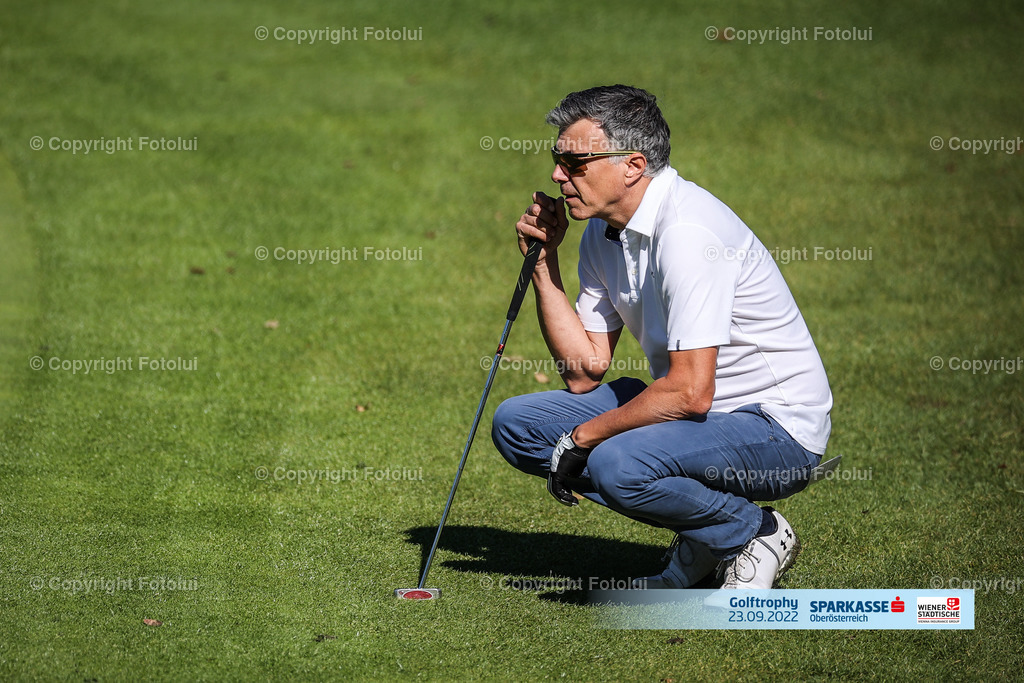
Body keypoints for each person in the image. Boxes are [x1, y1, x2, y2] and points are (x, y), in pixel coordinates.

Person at [491, 85, 833, 589]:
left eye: (575, 162)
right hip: (696, 419)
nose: (558, 175)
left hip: (776, 431)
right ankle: (706, 533)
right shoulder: (602, 233)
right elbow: (584, 373)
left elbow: (691, 393)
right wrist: (544, 265)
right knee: (519, 426)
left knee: (618, 462)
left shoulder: (689, 234)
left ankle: (752, 532)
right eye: (556, 159)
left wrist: (584, 437)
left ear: (633, 165)